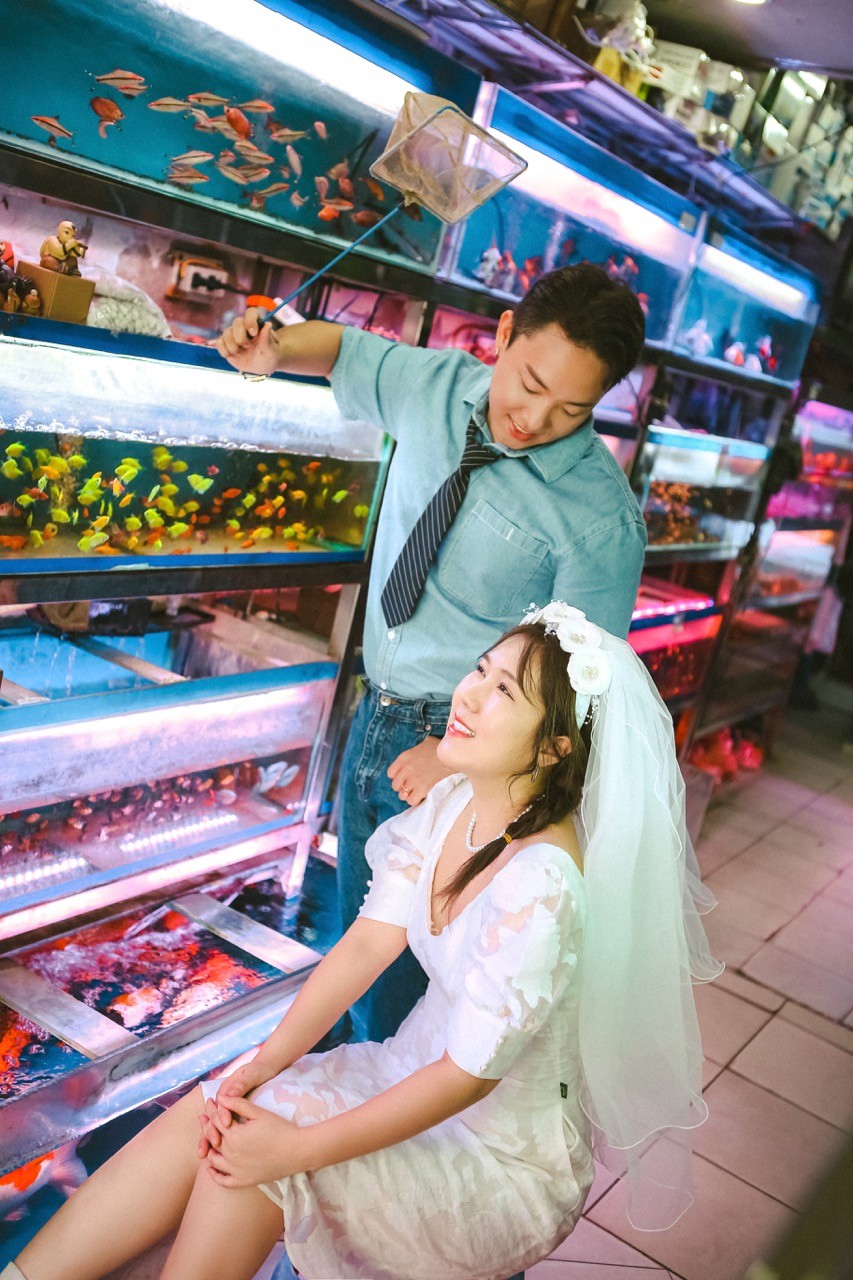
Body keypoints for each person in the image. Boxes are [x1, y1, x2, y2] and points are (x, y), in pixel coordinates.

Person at [6, 601, 720, 1280]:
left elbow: (467, 1078)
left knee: (254, 1172)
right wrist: (257, 1065)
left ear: (555, 746)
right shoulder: (452, 804)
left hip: (493, 1152)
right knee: (217, 1107)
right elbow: (363, 948)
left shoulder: (542, 885)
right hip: (403, 1072)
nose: (467, 697)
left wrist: (294, 1148)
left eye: (504, 690)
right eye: (479, 669)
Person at [215, 263, 649, 1043]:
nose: (533, 418)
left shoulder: (598, 519)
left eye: (571, 409)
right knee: (359, 947)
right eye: (528, 383)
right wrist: (271, 345)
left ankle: (375, 1130)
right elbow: (343, 351)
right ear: (506, 334)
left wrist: (451, 758)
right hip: (371, 710)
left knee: (408, 997)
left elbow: (576, 687)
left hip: (466, 757)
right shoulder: (435, 385)